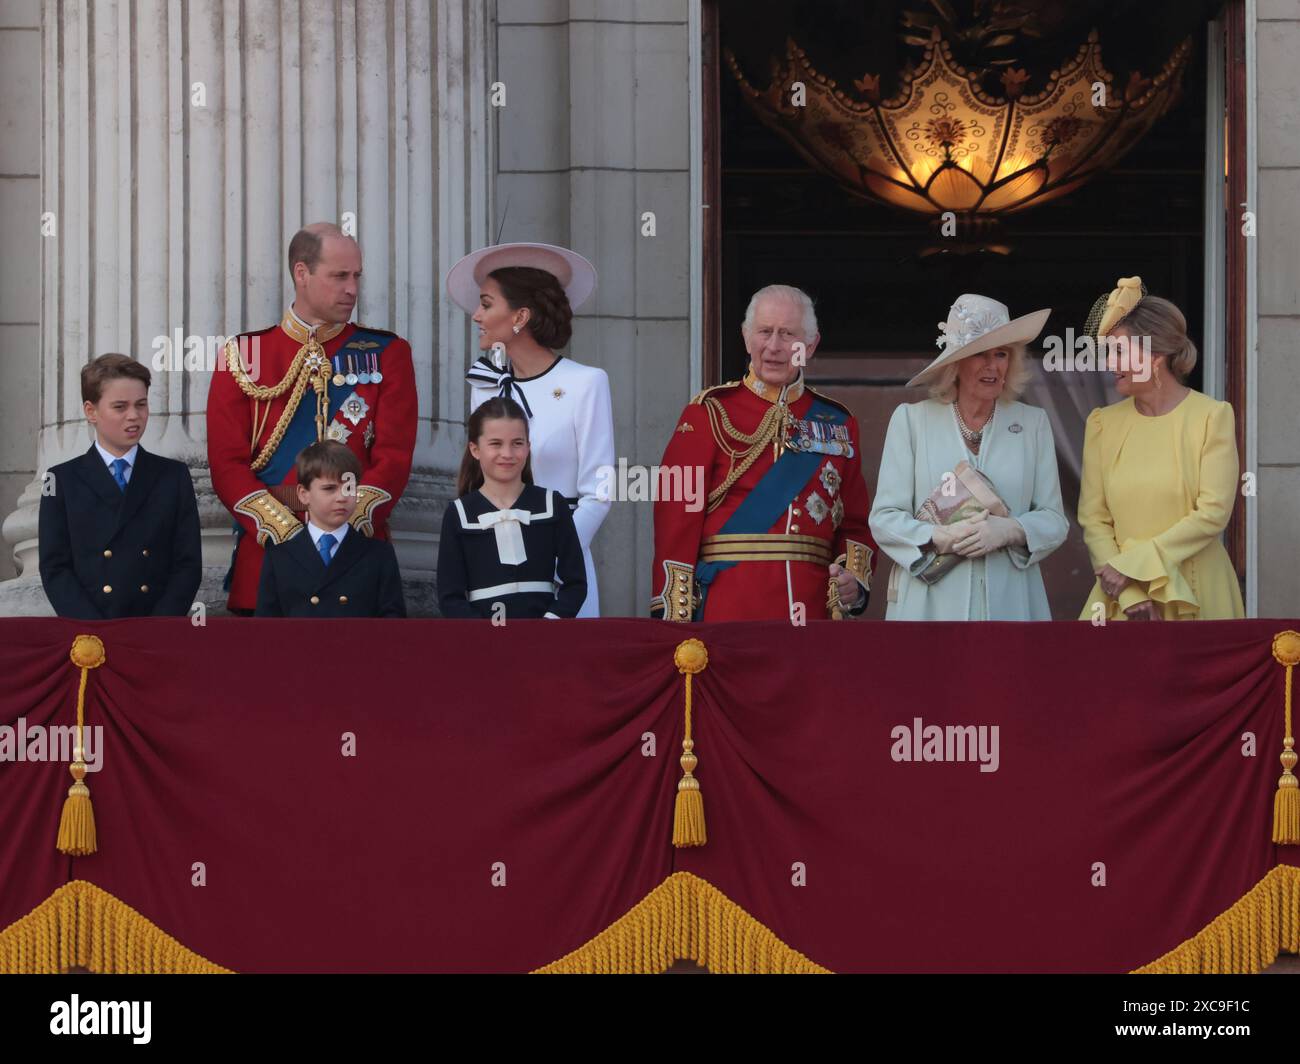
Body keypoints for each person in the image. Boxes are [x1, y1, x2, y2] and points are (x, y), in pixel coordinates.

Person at [207, 222, 417, 614]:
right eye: (339, 276)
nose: (353, 288)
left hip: (356, 565)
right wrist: (285, 533)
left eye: (356, 276)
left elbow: (394, 459)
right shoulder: (243, 355)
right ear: (301, 274)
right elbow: (226, 464)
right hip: (267, 560)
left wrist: (338, 527)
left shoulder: (388, 353)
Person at [650, 284, 877, 621]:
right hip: (727, 607)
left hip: (812, 610)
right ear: (746, 338)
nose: (774, 347)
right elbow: (675, 519)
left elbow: (856, 524)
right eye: (764, 332)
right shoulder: (708, 412)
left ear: (811, 345)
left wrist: (853, 583)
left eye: (787, 334)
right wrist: (675, 615)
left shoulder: (839, 423)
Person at [870, 294, 1068, 620]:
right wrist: (940, 536)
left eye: (1001, 354)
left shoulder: (1033, 424)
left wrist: (1011, 530)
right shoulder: (912, 421)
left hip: (1012, 606)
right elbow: (884, 518)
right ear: (956, 364)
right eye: (979, 354)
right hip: (928, 610)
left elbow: (1054, 520)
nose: (992, 366)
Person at [448, 242, 613, 617]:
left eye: (487, 304)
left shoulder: (586, 383)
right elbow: (478, 483)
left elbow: (599, 494)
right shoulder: (485, 385)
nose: (476, 315)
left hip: (562, 579)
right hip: (492, 571)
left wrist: (552, 561)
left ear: (520, 315)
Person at [1077, 282, 1244, 621]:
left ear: (1154, 356)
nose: (1110, 363)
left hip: (1198, 590)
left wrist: (1135, 566)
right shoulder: (1101, 425)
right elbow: (1093, 520)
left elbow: (1212, 512)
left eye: (1119, 352)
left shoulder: (1212, 416)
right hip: (1121, 598)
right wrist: (1127, 588)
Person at [38, 354, 201, 619]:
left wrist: (159, 625)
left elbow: (187, 564)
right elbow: (55, 568)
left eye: (141, 404)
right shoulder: (59, 480)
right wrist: (94, 630)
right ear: (91, 411)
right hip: (91, 636)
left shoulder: (173, 476)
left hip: (155, 632)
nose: (134, 416)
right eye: (120, 407)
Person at [437, 397, 586, 619]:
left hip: (545, 641)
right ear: (475, 449)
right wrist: (484, 634)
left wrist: (551, 622)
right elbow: (450, 597)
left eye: (517, 443)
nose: (507, 454)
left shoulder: (553, 505)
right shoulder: (458, 513)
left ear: (528, 447)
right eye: (496, 443)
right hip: (484, 643)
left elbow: (575, 583)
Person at [256, 441, 405, 617]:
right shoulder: (280, 557)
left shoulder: (379, 555)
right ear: (304, 494)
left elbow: (393, 627)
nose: (342, 497)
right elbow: (267, 629)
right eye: (330, 489)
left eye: (349, 488)